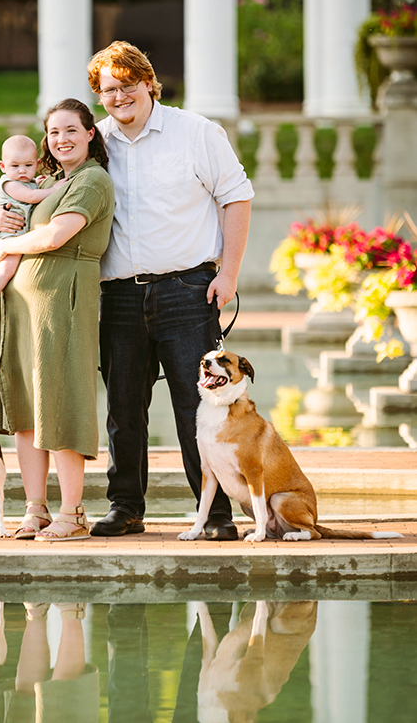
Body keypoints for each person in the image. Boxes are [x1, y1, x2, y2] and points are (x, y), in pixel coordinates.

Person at [87, 41, 254, 539]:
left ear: (148, 82)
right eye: (107, 91)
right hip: (117, 296)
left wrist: (230, 273)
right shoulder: (96, 142)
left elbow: (237, 197)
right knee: (123, 408)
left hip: (187, 291)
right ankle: (126, 508)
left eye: (126, 86)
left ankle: (217, 516)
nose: (119, 98)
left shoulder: (196, 132)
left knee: (198, 406)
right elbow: (47, 190)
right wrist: (0, 213)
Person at [0, 99, 114, 542]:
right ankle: (35, 508)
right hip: (22, 306)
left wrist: (7, 245)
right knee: (27, 410)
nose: (61, 139)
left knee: (61, 402)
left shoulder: (90, 180)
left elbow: (58, 235)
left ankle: (72, 512)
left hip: (64, 300)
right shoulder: (49, 181)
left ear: (90, 134)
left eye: (71, 130)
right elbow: (6, 231)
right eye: (54, 132)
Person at [0, 135, 58, 321]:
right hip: (9, 235)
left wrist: (39, 183)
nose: (22, 171)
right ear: (3, 167)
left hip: (18, 235)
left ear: (37, 164)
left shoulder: (28, 182)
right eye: (15, 166)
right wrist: (55, 190)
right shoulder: (10, 183)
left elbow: (32, 190)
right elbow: (31, 197)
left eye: (28, 165)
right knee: (6, 271)